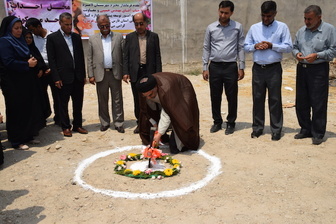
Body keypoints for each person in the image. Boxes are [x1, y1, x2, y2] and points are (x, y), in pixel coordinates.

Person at [244, 1, 292, 141]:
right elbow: (246, 47)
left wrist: (272, 45)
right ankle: (258, 128)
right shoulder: (254, 28)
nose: (265, 19)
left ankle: (276, 129)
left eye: (269, 16)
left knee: (275, 99)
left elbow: (288, 47)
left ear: (275, 14)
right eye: (263, 15)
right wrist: (255, 46)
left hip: (274, 68)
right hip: (258, 68)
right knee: (257, 98)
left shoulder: (282, 27)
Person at [292, 5, 336, 145]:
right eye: (305, 18)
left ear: (319, 17)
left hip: (318, 70)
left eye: (310, 19)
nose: (307, 22)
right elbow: (295, 47)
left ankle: (318, 132)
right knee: (301, 102)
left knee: (318, 102)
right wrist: (297, 54)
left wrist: (317, 55)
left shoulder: (329, 30)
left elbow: (333, 51)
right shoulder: (301, 31)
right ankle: (305, 129)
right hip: (302, 69)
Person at [0, 16, 45, 150]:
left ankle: (27, 136)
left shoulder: (20, 41)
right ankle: (16, 140)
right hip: (12, 83)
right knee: (16, 111)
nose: (19, 31)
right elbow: (8, 62)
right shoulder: (4, 42)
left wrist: (32, 61)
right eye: (16, 28)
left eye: (20, 28)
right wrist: (27, 64)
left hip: (25, 81)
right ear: (9, 29)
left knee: (27, 108)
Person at [202, 0, 245, 135]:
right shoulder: (211, 28)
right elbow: (206, 47)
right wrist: (205, 67)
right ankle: (217, 122)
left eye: (226, 13)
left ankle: (231, 123)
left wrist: (241, 66)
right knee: (215, 96)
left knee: (231, 96)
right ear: (218, 11)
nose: (223, 15)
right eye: (221, 12)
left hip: (230, 66)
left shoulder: (238, 27)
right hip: (214, 66)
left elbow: (240, 47)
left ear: (231, 13)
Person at [136, 72, 200, 154]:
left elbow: (167, 112)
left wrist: (159, 133)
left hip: (181, 90)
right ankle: (164, 136)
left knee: (175, 148)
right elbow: (146, 110)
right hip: (165, 98)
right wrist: (155, 124)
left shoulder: (167, 90)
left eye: (150, 95)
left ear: (155, 87)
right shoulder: (143, 90)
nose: (148, 98)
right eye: (146, 96)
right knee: (149, 138)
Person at [47, 12, 88, 137]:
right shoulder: (53, 38)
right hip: (63, 78)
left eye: (70, 24)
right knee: (63, 104)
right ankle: (65, 126)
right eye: (66, 24)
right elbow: (52, 60)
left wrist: (83, 75)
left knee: (78, 103)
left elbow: (81, 57)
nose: (69, 27)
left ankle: (77, 125)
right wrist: (56, 77)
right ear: (60, 23)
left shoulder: (76, 37)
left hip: (77, 77)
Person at [123, 12, 162, 134]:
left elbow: (157, 56)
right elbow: (126, 56)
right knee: (137, 99)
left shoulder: (153, 37)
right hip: (136, 72)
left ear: (146, 23)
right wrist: (126, 72)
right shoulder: (129, 38)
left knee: (152, 98)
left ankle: (156, 123)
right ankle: (140, 123)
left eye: (141, 23)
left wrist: (158, 74)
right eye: (136, 24)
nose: (139, 26)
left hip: (149, 71)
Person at [87, 15, 125, 133]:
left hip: (115, 73)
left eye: (107, 25)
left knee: (117, 99)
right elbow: (89, 58)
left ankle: (118, 123)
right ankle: (104, 122)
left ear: (110, 24)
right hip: (100, 73)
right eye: (102, 26)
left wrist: (125, 73)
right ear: (98, 26)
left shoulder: (118, 37)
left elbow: (124, 56)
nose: (105, 27)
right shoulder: (92, 39)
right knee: (102, 100)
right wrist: (90, 74)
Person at [25, 17, 60, 126]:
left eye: (33, 29)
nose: (32, 32)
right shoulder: (32, 39)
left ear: (39, 26)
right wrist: (40, 68)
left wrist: (52, 69)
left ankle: (59, 118)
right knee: (41, 96)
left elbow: (58, 56)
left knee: (57, 96)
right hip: (40, 70)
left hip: (53, 70)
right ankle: (43, 118)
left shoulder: (53, 37)